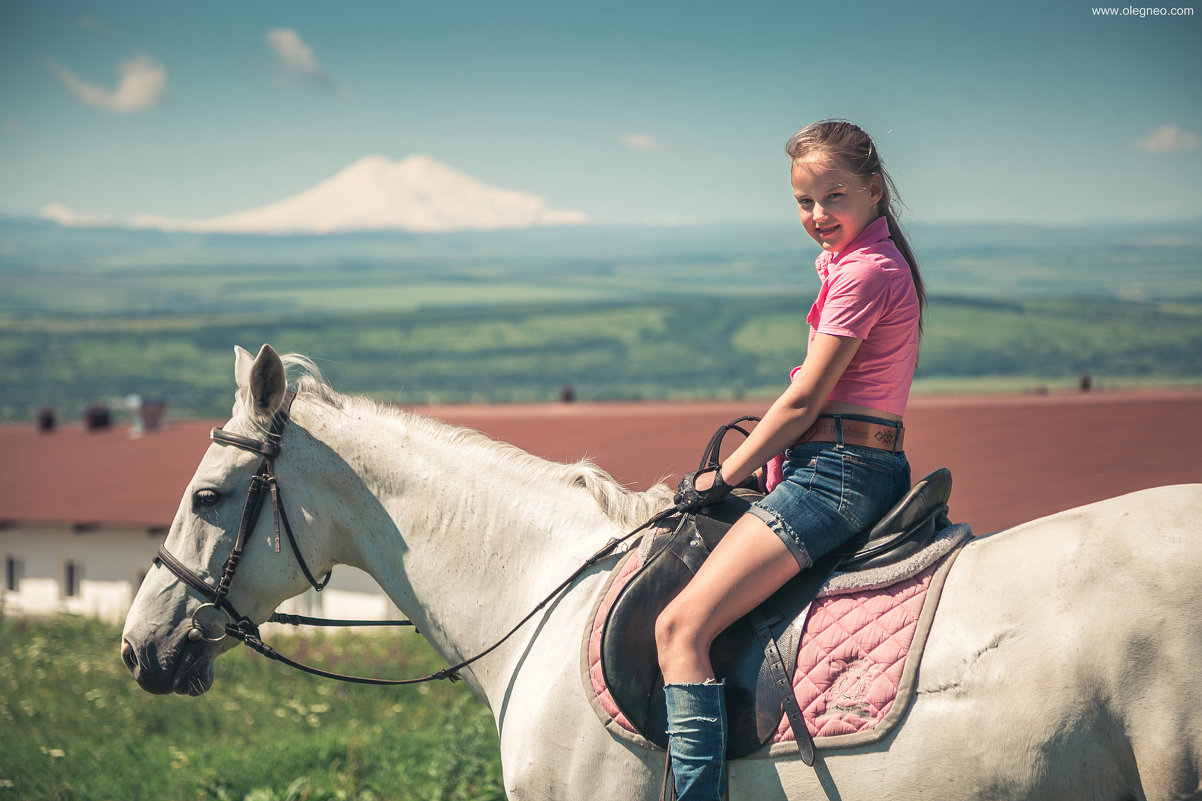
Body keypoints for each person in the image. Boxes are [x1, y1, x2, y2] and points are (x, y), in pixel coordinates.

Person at [655, 119, 926, 800]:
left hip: (837, 474)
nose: (817, 216)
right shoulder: (866, 262)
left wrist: (728, 472)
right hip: (849, 464)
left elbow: (804, 401)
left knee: (680, 626)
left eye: (832, 198)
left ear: (872, 189)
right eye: (804, 201)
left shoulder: (865, 271)